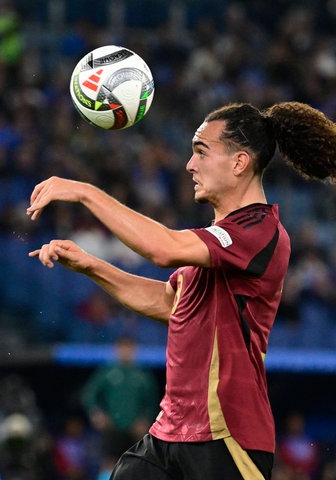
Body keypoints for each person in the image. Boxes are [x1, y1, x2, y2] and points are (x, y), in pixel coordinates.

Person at [27, 102, 336, 480]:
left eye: (202, 151)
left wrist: (86, 193)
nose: (190, 165)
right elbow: (170, 303)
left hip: (227, 438)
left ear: (239, 163)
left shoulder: (260, 230)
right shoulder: (213, 241)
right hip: (168, 433)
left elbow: (162, 249)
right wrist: (92, 266)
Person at [81, 336, 159, 480]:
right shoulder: (107, 372)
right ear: (116, 350)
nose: (125, 352)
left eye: (129, 348)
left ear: (135, 350)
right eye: (122, 348)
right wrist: (96, 413)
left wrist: (146, 419)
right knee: (109, 463)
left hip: (135, 430)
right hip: (112, 428)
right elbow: (90, 394)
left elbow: (152, 401)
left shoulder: (142, 375)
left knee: (138, 463)